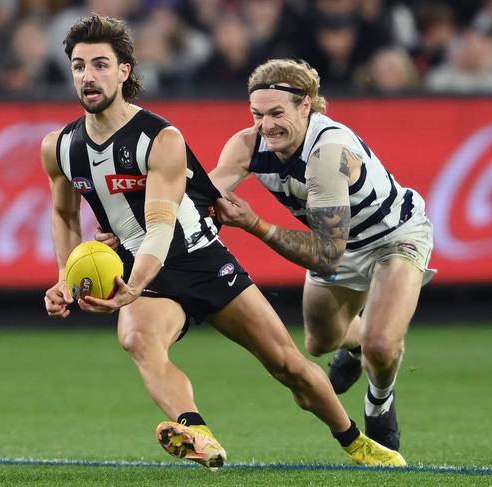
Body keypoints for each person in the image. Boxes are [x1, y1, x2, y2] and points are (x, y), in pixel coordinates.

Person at [43, 15, 405, 469]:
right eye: (78, 66)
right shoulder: (59, 146)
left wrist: (132, 284)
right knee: (139, 339)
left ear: (124, 72)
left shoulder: (160, 137)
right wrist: (63, 277)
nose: (87, 76)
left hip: (195, 254)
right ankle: (198, 433)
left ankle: (356, 441)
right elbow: (63, 214)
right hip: (140, 262)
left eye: (100, 64)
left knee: (288, 365)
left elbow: (160, 224)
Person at [210, 58, 436, 452]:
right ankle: (355, 346)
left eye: (277, 113)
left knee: (381, 346)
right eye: (257, 114)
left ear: (307, 105)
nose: (266, 125)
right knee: (318, 343)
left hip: (393, 237)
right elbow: (202, 195)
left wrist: (254, 224)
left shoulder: (327, 153)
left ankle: (379, 402)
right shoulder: (248, 145)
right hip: (338, 245)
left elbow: (327, 256)